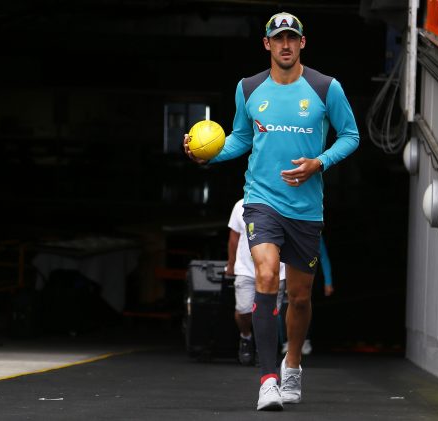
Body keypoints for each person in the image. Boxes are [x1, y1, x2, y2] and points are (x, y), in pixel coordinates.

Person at [183, 11, 359, 411]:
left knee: (299, 297)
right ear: (266, 44)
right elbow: (240, 139)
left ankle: (292, 363)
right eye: (278, 39)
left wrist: (321, 162)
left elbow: (351, 135)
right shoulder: (248, 88)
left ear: (302, 43)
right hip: (261, 200)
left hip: (306, 209)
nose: (285, 45)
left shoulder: (325, 87)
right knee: (264, 273)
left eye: (291, 38)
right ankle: (267, 379)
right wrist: (206, 156)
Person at [226, 198, 285, 366]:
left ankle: (263, 349)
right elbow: (234, 237)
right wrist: (231, 264)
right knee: (244, 310)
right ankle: (246, 336)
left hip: (276, 270)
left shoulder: (285, 202)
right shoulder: (241, 204)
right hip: (246, 269)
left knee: (270, 313)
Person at [279, 235, 333, 356]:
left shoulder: (313, 230)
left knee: (303, 304)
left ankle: (305, 340)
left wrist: (328, 281)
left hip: (305, 273)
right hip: (284, 274)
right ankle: (286, 341)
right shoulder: (281, 225)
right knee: (283, 307)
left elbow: (323, 257)